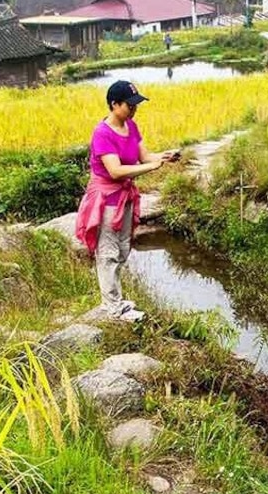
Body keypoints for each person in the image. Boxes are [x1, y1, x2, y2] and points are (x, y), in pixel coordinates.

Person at [75, 81, 181, 322]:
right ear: (114, 104)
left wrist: (163, 156)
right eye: (129, 105)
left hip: (125, 197)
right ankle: (111, 306)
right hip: (107, 199)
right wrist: (150, 167)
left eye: (136, 105)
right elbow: (115, 171)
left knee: (123, 248)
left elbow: (144, 156)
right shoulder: (102, 133)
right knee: (108, 252)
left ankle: (116, 299)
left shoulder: (131, 126)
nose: (134, 110)